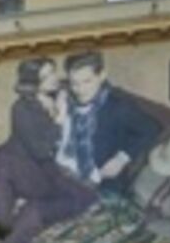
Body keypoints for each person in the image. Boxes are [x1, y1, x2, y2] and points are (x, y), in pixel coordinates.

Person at [0, 57, 98, 243]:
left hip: (37, 171)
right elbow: (41, 150)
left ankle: (4, 241)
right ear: (33, 82)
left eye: (53, 71)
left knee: (82, 198)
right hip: (11, 168)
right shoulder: (22, 109)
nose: (53, 78)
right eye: (45, 76)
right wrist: (59, 120)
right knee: (0, 220)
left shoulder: (65, 95)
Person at [61, 50, 162, 195]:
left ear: (102, 76)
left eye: (87, 81)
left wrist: (121, 159)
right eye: (74, 83)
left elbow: (151, 128)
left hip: (103, 186)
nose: (80, 90)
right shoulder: (64, 102)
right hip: (64, 181)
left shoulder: (118, 107)